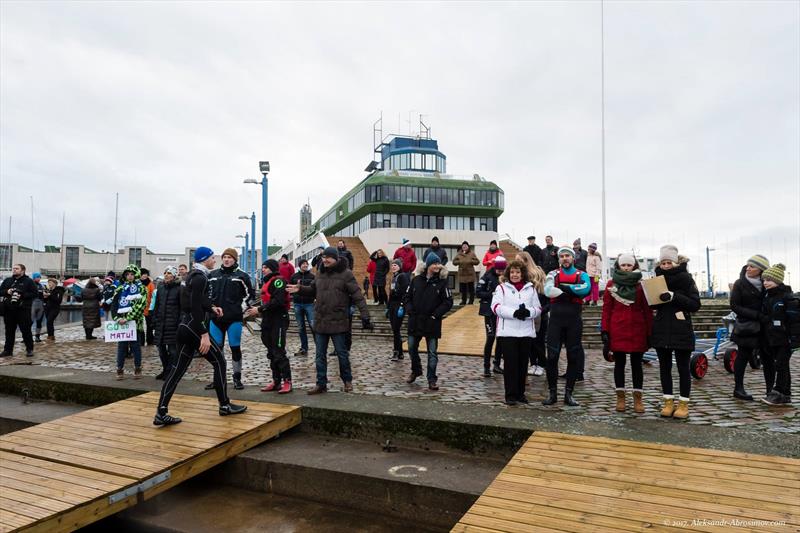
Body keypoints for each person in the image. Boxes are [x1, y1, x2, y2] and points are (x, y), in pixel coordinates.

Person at [153, 247, 248, 426]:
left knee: (177, 370)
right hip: (194, 328)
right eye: (213, 257)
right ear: (205, 259)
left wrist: (211, 307)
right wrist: (204, 334)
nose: (215, 260)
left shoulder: (193, 275)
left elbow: (195, 300)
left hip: (185, 326)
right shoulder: (200, 277)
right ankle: (225, 405)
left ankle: (161, 412)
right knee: (219, 361)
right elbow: (195, 306)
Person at [287, 246, 372, 394]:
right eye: (323, 257)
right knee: (319, 355)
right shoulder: (319, 273)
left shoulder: (346, 274)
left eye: (328, 257)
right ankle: (321, 383)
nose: (324, 260)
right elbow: (312, 290)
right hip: (321, 320)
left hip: (338, 321)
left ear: (336, 259)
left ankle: (347, 380)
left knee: (342, 353)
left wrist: (365, 316)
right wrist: (300, 289)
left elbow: (357, 296)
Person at [651, 245, 701, 419]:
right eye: (663, 262)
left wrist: (674, 296)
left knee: (683, 368)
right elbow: (654, 304)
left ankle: (683, 404)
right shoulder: (656, 280)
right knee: (664, 368)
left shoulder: (686, 280)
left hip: (681, 328)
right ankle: (668, 402)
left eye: (668, 262)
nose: (665, 265)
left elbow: (695, 304)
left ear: (675, 262)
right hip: (662, 328)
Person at [601, 253, 653, 413]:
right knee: (620, 364)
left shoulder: (640, 285)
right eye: (623, 265)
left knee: (637, 365)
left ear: (634, 266)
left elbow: (647, 310)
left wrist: (650, 332)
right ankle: (620, 397)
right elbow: (607, 309)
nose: (626, 267)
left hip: (637, 329)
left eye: (629, 265)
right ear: (618, 266)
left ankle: (638, 398)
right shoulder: (611, 284)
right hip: (618, 329)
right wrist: (605, 330)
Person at [542, 246, 591, 406]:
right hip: (556, 321)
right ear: (559, 259)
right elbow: (548, 290)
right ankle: (552, 393)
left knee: (573, 357)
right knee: (552, 358)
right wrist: (571, 292)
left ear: (573, 258)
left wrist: (564, 288)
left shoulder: (581, 274)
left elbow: (587, 288)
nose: (565, 258)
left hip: (573, 322)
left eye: (567, 256)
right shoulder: (552, 274)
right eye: (562, 256)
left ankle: (569, 394)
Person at [207, 248, 258, 390]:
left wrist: (239, 309)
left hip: (234, 319)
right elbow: (206, 295)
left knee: (235, 348)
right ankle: (218, 379)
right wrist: (210, 307)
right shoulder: (212, 275)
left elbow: (251, 296)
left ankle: (237, 378)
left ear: (235, 260)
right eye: (224, 257)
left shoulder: (242, 276)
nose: (227, 259)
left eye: (230, 257)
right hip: (215, 319)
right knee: (216, 350)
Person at [492, 260, 542, 405]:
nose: (515, 275)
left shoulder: (531, 289)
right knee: (510, 365)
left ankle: (521, 393)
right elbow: (495, 307)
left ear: (522, 274)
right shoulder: (501, 288)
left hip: (525, 332)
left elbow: (538, 308)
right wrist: (514, 313)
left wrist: (528, 312)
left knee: (522, 364)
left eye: (518, 272)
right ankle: (510, 395)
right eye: (512, 272)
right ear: (509, 273)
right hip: (508, 332)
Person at [405, 253, 453, 390]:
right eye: (434, 264)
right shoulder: (416, 280)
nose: (437, 266)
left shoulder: (442, 282)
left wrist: (436, 315)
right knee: (411, 347)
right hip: (415, 320)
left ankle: (431, 378)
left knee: (432, 352)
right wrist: (409, 310)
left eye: (438, 264)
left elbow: (448, 302)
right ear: (428, 265)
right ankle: (416, 370)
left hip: (432, 322)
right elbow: (407, 297)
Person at [728, 254, 769, 401]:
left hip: (765, 326)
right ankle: (738, 388)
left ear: (761, 270)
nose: (748, 268)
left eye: (752, 266)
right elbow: (734, 306)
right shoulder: (740, 283)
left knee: (768, 358)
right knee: (743, 356)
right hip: (747, 325)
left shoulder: (767, 282)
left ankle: (771, 390)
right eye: (748, 265)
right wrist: (756, 315)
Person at [760, 264, 794, 406]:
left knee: (780, 365)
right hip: (772, 338)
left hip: (785, 339)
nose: (765, 283)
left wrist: (794, 340)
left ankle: (777, 392)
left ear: (778, 281)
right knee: (782, 365)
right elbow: (765, 315)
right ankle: (785, 394)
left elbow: (794, 321)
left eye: (769, 280)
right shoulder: (767, 296)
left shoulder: (787, 297)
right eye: (764, 280)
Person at [258, 260, 293, 394]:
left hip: (278, 319)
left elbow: (278, 301)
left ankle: (287, 381)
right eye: (263, 267)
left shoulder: (279, 281)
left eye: (266, 267)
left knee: (279, 351)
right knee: (271, 352)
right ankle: (276, 380)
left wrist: (260, 309)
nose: (263, 270)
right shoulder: (266, 281)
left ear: (272, 268)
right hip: (268, 319)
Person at [110, 265, 147, 379]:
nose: (129, 276)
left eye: (132, 274)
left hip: (135, 323)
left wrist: (128, 318)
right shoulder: (120, 288)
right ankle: (119, 369)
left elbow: (140, 305)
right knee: (121, 347)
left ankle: (137, 368)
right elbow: (114, 305)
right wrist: (117, 318)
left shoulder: (141, 288)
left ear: (135, 275)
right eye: (127, 274)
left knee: (136, 347)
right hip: (122, 323)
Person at [515, 252, 547, 377]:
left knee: (539, 341)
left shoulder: (538, 275)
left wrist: (541, 310)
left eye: (519, 260)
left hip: (540, 312)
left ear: (526, 261)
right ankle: (533, 363)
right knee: (529, 341)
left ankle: (542, 364)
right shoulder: (520, 276)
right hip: (526, 313)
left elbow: (545, 296)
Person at [477, 256, 507, 377]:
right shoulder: (487, 277)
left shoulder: (506, 278)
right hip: (489, 311)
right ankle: (486, 367)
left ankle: (496, 364)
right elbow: (478, 292)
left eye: (502, 270)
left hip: (501, 312)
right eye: (498, 270)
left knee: (500, 338)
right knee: (490, 338)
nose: (500, 272)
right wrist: (491, 294)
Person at [0, 264, 38, 357]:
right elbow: (0, 291)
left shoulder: (29, 281)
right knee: (9, 331)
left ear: (23, 271)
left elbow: (35, 294)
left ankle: (29, 349)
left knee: (26, 331)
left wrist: (22, 294)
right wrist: (7, 291)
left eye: (17, 269)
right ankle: (8, 350)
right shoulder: (8, 280)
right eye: (13, 268)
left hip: (23, 310)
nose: (14, 270)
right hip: (9, 310)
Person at [152, 266, 181, 380]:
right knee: (161, 351)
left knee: (173, 351)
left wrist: (180, 322)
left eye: (169, 273)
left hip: (173, 324)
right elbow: (157, 304)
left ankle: (171, 372)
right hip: (161, 323)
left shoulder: (179, 288)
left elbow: (182, 307)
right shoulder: (160, 287)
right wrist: (154, 319)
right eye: (165, 273)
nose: (166, 275)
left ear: (174, 275)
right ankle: (165, 370)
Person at [290, 259, 315, 357]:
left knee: (313, 325)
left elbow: (315, 289)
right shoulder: (294, 276)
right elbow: (291, 288)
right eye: (303, 264)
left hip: (309, 304)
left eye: (306, 264)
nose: (305, 265)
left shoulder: (312, 276)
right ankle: (304, 347)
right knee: (301, 327)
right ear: (299, 266)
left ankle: (320, 346)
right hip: (297, 304)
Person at [388, 259, 410, 361]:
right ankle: (400, 353)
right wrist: (388, 307)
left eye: (395, 265)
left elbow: (405, 292)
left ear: (400, 266)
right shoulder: (393, 277)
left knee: (396, 329)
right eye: (392, 265)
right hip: (392, 305)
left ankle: (396, 352)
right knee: (395, 330)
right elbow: (391, 294)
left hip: (399, 305)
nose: (393, 267)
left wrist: (402, 305)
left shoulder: (403, 276)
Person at [452, 241, 479, 305]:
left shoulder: (472, 253)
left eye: (465, 246)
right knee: (463, 289)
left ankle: (471, 301)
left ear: (468, 247)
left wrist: (470, 261)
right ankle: (463, 301)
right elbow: (454, 262)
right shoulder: (459, 253)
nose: (464, 247)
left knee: (471, 288)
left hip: (470, 273)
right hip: (462, 273)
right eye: (463, 246)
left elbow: (477, 262)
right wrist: (459, 261)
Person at [140, 268, 156, 346]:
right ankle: (141, 340)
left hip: (148, 307)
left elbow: (153, 295)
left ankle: (150, 340)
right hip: (139, 308)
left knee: (149, 325)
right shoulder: (138, 284)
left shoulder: (150, 284)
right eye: (143, 274)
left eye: (146, 274)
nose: (144, 275)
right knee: (140, 326)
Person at [30, 272, 45, 342]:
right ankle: (27, 337)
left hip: (40, 305)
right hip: (32, 305)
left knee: (39, 321)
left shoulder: (41, 286)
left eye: (39, 277)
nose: (39, 278)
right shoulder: (30, 284)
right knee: (30, 322)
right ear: (34, 278)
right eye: (37, 277)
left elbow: (42, 296)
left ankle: (37, 337)